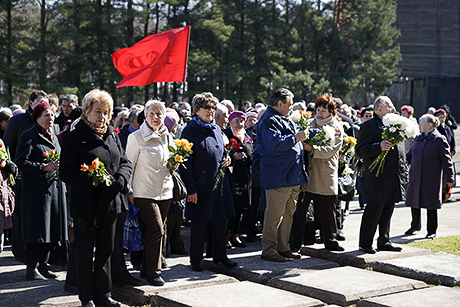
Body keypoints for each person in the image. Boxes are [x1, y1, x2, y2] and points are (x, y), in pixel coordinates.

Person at [60, 89, 132, 307]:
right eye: (98, 111)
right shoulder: (75, 137)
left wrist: (121, 177)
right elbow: (66, 172)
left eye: (107, 112)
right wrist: (93, 180)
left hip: (111, 203)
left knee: (106, 250)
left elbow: (125, 162)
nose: (103, 117)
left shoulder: (113, 134)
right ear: (87, 111)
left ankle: (103, 295)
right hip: (87, 205)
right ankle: (86, 297)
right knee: (84, 252)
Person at [180, 92, 237, 271]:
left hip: (219, 183)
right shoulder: (189, 130)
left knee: (221, 221)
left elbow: (221, 152)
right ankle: (196, 259)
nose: (211, 111)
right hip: (200, 185)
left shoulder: (217, 129)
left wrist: (229, 160)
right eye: (207, 107)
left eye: (213, 107)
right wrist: (191, 188)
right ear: (197, 110)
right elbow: (185, 164)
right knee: (199, 224)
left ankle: (220, 255)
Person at [257, 88, 310, 262]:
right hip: (278, 176)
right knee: (274, 216)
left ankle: (283, 247)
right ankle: (269, 249)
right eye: (289, 104)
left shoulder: (282, 118)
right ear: (279, 104)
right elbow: (274, 144)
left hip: (291, 176)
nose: (291, 108)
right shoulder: (269, 120)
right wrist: (296, 137)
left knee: (287, 215)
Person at [15, 102, 66, 280]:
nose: (50, 119)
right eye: (46, 115)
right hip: (36, 193)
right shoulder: (29, 135)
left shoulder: (52, 136)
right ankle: (31, 268)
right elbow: (21, 161)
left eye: (52, 115)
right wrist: (43, 167)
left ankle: (44, 265)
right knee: (36, 230)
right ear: (37, 117)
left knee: (50, 230)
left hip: (53, 190)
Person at [125, 100, 174, 286]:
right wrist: (129, 190)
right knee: (156, 230)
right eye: (152, 113)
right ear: (145, 115)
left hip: (165, 191)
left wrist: (175, 163)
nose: (155, 117)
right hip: (143, 192)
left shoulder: (168, 136)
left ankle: (146, 269)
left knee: (152, 232)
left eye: (159, 113)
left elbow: (169, 162)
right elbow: (129, 166)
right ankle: (155, 272)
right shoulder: (136, 138)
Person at [291, 94, 344, 252]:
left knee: (327, 209)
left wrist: (311, 148)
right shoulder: (308, 124)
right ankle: (295, 242)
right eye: (318, 109)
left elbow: (331, 150)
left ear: (331, 111)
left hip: (325, 172)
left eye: (324, 110)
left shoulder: (336, 128)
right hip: (306, 172)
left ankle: (330, 240)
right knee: (299, 210)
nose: (320, 113)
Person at [356, 96, 408, 254]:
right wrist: (378, 147)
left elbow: (400, 152)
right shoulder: (369, 126)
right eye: (389, 107)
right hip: (377, 177)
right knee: (374, 210)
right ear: (379, 109)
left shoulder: (395, 125)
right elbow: (360, 150)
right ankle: (365, 243)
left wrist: (404, 174)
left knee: (388, 209)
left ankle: (384, 240)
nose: (393, 109)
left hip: (393, 175)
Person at [4, 90, 49, 263]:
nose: (42, 105)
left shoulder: (47, 121)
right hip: (20, 175)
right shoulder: (17, 121)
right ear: (30, 103)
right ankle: (19, 250)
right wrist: (13, 169)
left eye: (45, 102)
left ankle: (39, 254)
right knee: (20, 215)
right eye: (39, 102)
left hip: (42, 177)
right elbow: (8, 147)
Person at [404, 114, 454, 239]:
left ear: (430, 125)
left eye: (421, 123)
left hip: (431, 178)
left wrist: (450, 179)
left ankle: (432, 230)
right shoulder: (418, 138)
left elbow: (447, 162)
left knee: (431, 204)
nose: (419, 125)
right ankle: (415, 225)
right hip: (415, 176)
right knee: (414, 200)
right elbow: (409, 156)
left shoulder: (439, 139)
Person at [224, 111, 251, 248]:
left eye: (241, 121)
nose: (240, 124)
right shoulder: (226, 135)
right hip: (231, 176)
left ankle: (235, 234)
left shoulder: (246, 136)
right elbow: (223, 154)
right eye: (237, 121)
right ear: (230, 122)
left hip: (244, 176)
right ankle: (226, 236)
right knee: (231, 206)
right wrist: (233, 157)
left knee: (241, 207)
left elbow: (250, 150)